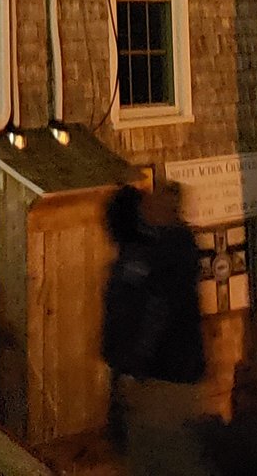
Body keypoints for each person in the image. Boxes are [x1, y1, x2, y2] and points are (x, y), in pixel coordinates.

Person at [100, 181, 211, 476]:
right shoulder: (155, 254)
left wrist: (135, 368)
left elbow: (154, 314)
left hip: (160, 382)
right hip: (160, 380)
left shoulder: (161, 256)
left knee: (163, 459)